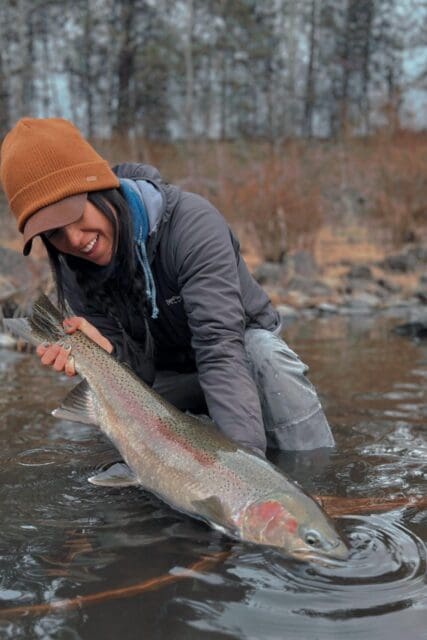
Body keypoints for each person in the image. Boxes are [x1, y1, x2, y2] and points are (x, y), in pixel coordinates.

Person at [0, 117, 335, 457]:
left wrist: (246, 475)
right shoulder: (76, 269)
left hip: (239, 365)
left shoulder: (192, 226)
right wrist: (107, 353)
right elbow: (138, 376)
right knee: (114, 427)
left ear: (101, 189)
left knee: (264, 352)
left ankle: (316, 477)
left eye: (73, 216)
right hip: (167, 380)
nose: (74, 240)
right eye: (54, 233)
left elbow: (220, 351)